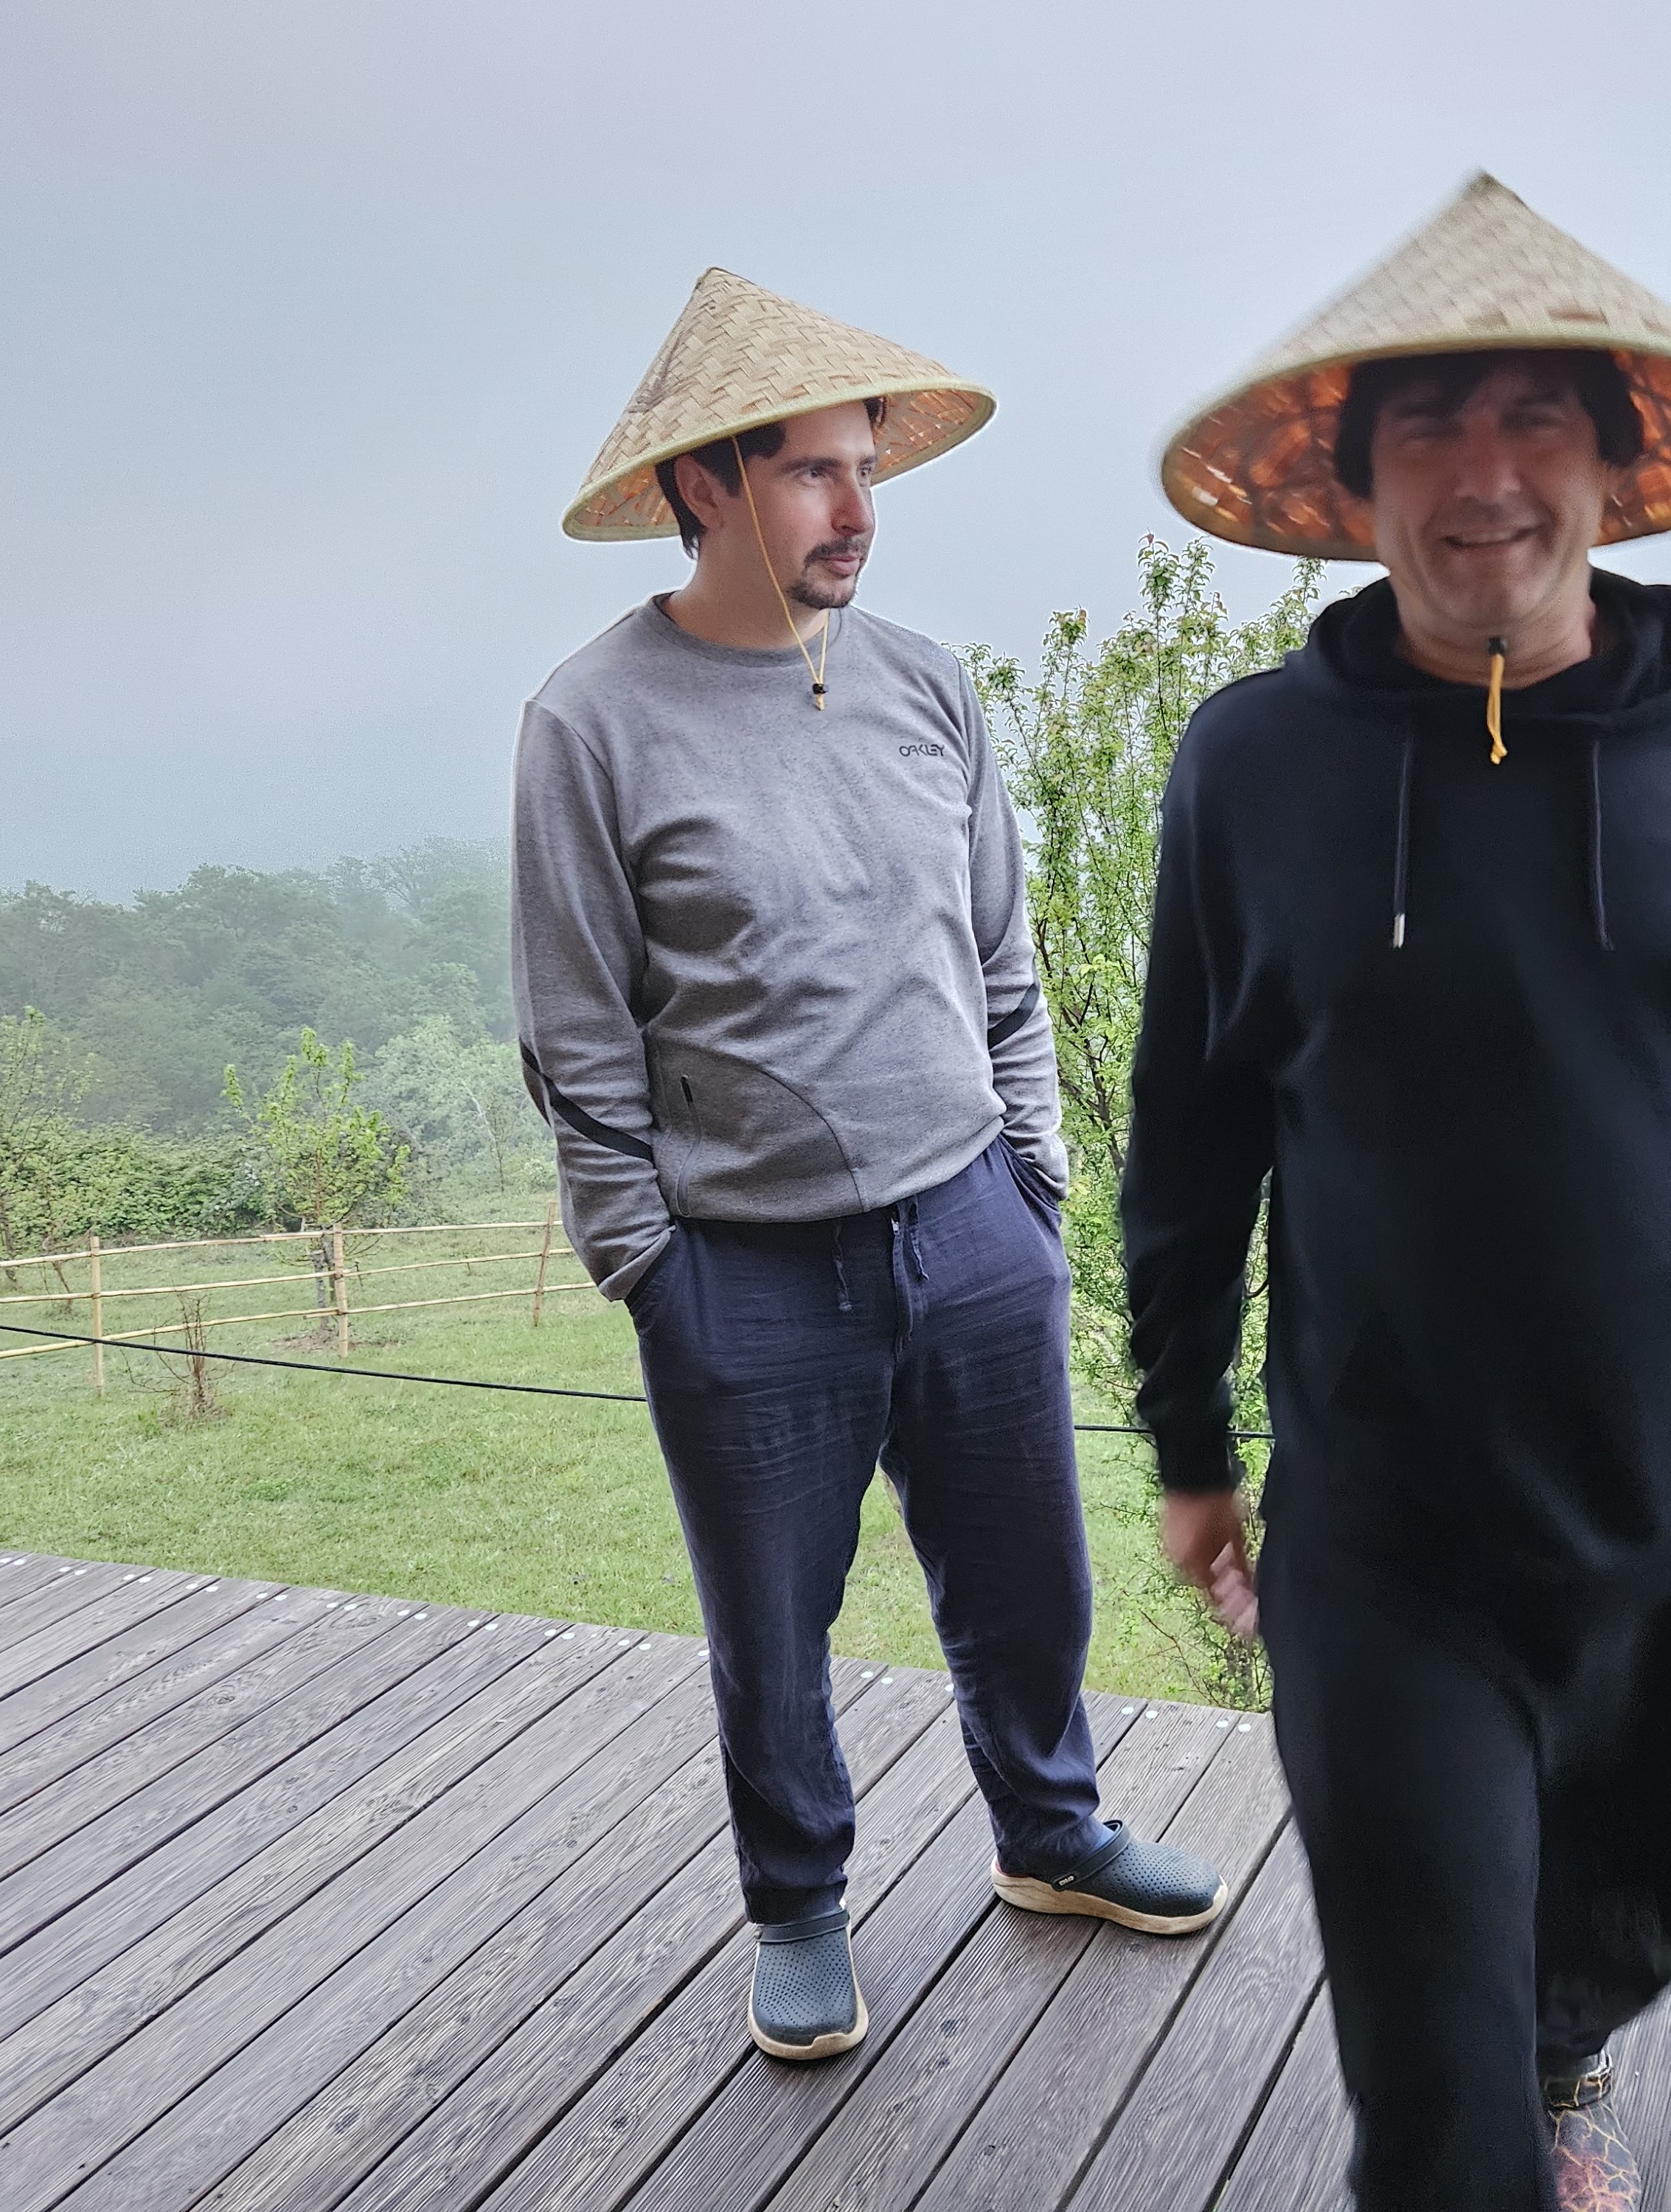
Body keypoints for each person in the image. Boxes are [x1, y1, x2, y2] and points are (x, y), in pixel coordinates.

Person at [1125, 175, 1671, 2212]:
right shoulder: (1252, 767)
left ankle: (1564, 2053)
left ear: (1617, 461)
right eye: (1428, 429)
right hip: (1384, 1536)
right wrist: (1190, 1443)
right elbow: (1190, 1138)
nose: (1483, 478)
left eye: (1533, 420)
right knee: (1431, 2089)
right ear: (1352, 479)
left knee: (1610, 1929)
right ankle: (1496, 2111)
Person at [514, 267, 1222, 2066]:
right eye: (814, 473)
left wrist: (1031, 1187)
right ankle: (799, 1905)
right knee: (774, 1624)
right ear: (702, 484)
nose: (858, 510)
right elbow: (578, 1037)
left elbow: (999, 960)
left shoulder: (927, 688)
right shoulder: (591, 722)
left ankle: (1050, 1835)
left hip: (969, 1224)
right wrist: (649, 1271)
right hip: (740, 1270)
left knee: (1029, 1582)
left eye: (866, 468)